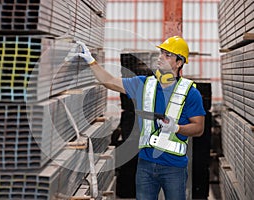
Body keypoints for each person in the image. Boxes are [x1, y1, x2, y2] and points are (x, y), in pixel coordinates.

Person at [73, 36, 206, 200]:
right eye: (161, 53)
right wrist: (91, 61)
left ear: (179, 63)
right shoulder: (144, 84)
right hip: (145, 165)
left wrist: (176, 128)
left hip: (174, 167)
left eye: (168, 55)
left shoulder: (190, 93)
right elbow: (109, 81)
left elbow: (199, 128)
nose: (161, 57)